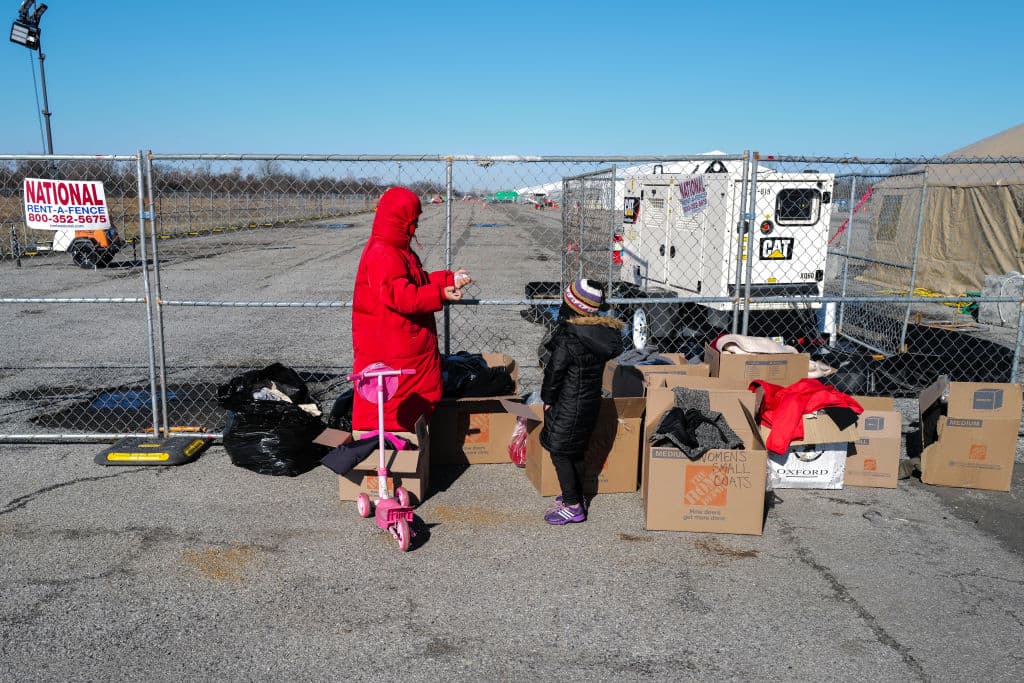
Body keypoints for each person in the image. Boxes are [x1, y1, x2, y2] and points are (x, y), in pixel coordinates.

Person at [351, 187, 471, 432]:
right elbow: (401, 295)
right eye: (413, 220)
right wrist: (439, 293)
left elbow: (416, 281)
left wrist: (447, 279)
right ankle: (391, 454)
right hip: (393, 345)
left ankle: (411, 452)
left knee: (412, 400)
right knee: (393, 406)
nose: (415, 226)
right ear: (400, 221)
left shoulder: (397, 249)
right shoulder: (384, 253)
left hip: (403, 342)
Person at [539, 279, 625, 525]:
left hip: (568, 403)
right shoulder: (599, 334)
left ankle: (572, 505)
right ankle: (575, 494)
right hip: (588, 403)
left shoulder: (570, 337)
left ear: (572, 305)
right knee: (574, 449)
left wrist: (548, 399)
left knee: (559, 452)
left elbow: (554, 372)